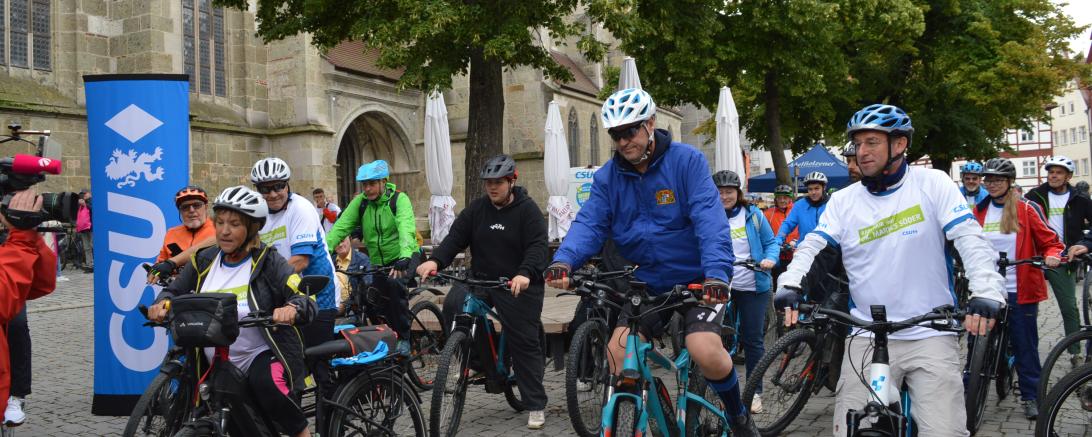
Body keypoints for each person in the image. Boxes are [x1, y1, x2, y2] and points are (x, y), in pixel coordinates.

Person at [774, 103, 1006, 436]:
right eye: (858, 144)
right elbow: (814, 245)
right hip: (867, 335)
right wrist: (791, 284)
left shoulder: (933, 183)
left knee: (944, 431)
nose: (861, 152)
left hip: (930, 332)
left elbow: (968, 237)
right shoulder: (843, 201)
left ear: (899, 145)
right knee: (849, 429)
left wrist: (985, 289)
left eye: (872, 142)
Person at [545, 88, 759, 435]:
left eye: (630, 131)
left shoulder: (686, 162)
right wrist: (564, 260)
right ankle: (653, 410)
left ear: (650, 124)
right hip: (645, 283)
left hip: (696, 281)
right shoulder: (607, 178)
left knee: (704, 349)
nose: (623, 141)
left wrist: (717, 274)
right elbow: (590, 223)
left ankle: (738, 415)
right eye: (616, 135)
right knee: (616, 357)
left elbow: (710, 220)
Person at [146, 186, 316, 437]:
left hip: (259, 354)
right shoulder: (203, 260)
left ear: (251, 228)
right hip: (214, 358)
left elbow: (302, 296)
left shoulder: (268, 261)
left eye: (234, 224)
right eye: (221, 222)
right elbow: (174, 290)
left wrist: (291, 308)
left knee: (267, 386)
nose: (224, 231)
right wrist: (162, 303)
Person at [416, 154, 550, 429]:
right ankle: (477, 361)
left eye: (498, 182)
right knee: (455, 303)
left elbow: (538, 247)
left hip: (519, 284)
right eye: (488, 182)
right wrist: (435, 260)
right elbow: (455, 238)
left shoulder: (528, 211)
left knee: (523, 341)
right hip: (483, 280)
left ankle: (535, 403)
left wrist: (524, 274)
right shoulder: (477, 209)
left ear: (512, 181)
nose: (492, 187)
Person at [973, 158, 1063, 419]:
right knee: (974, 340)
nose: (991, 184)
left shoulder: (1026, 209)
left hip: (1020, 288)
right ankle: (969, 389)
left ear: (1009, 182)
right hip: (987, 289)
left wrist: (1053, 255)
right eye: (988, 179)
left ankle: (1031, 396)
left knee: (1025, 345)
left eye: (997, 180)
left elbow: (1051, 241)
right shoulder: (978, 210)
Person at [250, 157, 339, 394]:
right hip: (284, 297)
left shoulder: (301, 208)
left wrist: (260, 281)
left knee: (319, 367)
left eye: (279, 186)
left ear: (287, 185)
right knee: (288, 366)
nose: (273, 194)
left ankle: (328, 423)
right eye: (265, 189)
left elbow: (301, 260)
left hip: (317, 295)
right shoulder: (258, 215)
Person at [326, 159, 419, 354]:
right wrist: (323, 251)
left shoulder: (399, 200)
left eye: (372, 184)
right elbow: (341, 227)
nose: (367, 189)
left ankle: (404, 338)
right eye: (364, 185)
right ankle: (384, 334)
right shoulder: (361, 203)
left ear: (384, 182)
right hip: (378, 261)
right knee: (370, 297)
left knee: (395, 285)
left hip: (405, 255)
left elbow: (406, 228)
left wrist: (404, 256)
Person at [712, 170, 777, 414]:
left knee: (752, 340)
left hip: (752, 284)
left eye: (729, 192)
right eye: (719, 192)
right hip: (721, 284)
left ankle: (754, 392)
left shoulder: (753, 215)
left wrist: (769, 260)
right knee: (717, 339)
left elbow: (771, 243)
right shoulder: (709, 216)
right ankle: (723, 390)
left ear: (737, 193)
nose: (724, 197)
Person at [1025, 155, 1092, 366]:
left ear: (1068, 176)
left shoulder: (1080, 199)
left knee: (1069, 306)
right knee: (1024, 308)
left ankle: (1075, 353)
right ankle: (1017, 351)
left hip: (1063, 259)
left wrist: (1086, 244)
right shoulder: (1033, 196)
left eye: (1059, 172)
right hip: (1035, 257)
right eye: (1051, 172)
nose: (1053, 176)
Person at [0, 189, 57, 419]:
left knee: (17, 324)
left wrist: (28, 232)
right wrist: (22, 237)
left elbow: (41, 283)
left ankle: (17, 394)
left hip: (12, 254)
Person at [146, 186, 217, 283]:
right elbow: (162, 262)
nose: (191, 210)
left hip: (210, 288)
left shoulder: (218, 229)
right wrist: (156, 271)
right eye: (185, 207)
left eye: (196, 205)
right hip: (179, 289)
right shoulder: (171, 233)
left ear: (206, 206)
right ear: (180, 211)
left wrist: (171, 263)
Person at [774, 171, 829, 249]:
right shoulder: (800, 205)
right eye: (810, 189)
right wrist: (779, 238)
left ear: (824, 188)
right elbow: (788, 224)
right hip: (805, 249)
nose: (813, 192)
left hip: (827, 249)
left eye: (817, 188)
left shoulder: (832, 204)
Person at [764, 184, 797, 282]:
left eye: (785, 197)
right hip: (777, 255)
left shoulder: (797, 210)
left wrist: (796, 241)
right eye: (779, 198)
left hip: (795, 254)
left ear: (790, 198)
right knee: (777, 282)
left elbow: (805, 229)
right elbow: (763, 234)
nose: (782, 200)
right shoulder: (768, 213)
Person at [333, 237, 371, 316]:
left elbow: (366, 288)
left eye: (342, 241)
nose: (340, 245)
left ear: (350, 239)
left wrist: (346, 304)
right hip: (331, 303)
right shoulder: (330, 260)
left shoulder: (361, 259)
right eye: (336, 242)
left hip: (350, 308)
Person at [76, 190, 93, 272]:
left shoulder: (93, 201)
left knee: (93, 246)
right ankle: (89, 264)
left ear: (89, 194)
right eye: (82, 194)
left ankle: (96, 264)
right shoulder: (81, 204)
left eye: (85, 193)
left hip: (91, 228)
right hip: (83, 229)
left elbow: (94, 210)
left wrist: (85, 204)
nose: (83, 195)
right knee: (86, 247)